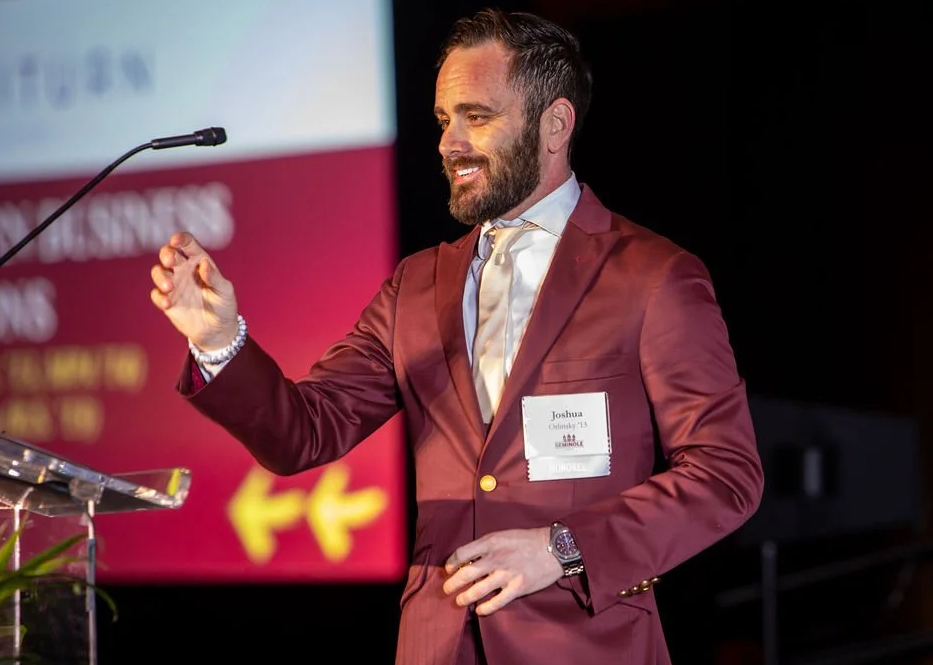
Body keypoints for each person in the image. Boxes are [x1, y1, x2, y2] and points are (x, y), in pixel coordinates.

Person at [149, 8, 764, 665]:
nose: (449, 143)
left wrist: (562, 547)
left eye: (477, 116)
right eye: (444, 120)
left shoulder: (652, 276)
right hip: (438, 644)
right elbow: (303, 431)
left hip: (586, 644)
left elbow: (725, 475)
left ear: (555, 124)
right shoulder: (417, 284)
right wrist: (219, 341)